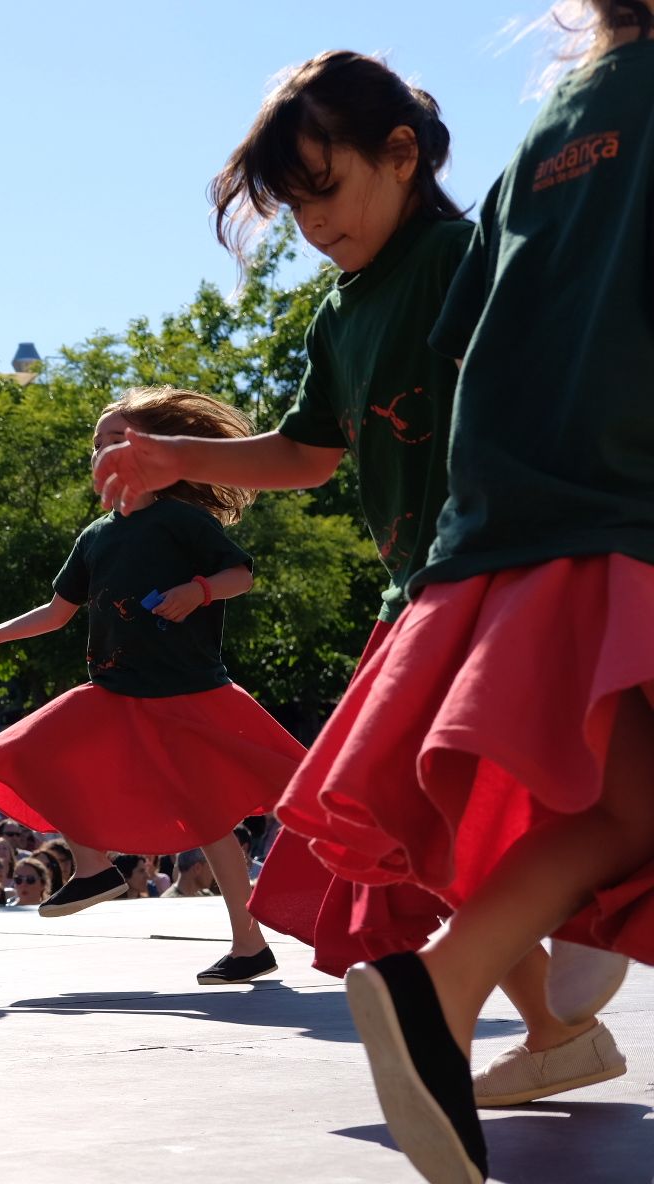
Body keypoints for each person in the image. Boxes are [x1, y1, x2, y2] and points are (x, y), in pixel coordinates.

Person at [96, 47, 628, 1112]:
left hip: (497, 568)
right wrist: (180, 456)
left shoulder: (451, 257)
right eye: (294, 205)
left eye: (326, 189)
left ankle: (549, 966)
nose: (313, 222)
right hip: (418, 595)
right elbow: (307, 450)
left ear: (401, 154)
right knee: (412, 831)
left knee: (453, 809)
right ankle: (553, 1021)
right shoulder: (339, 314)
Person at [244, 10, 654, 1178]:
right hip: (621, 506)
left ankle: (446, 994)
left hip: (518, 525)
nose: (316, 222)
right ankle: (487, 998)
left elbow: (475, 338)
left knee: (621, 807)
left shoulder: (546, 136)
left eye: (325, 189)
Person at [0, 387, 306, 986]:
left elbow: (240, 574)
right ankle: (94, 866)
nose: (104, 452)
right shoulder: (95, 537)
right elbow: (56, 611)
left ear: (151, 450)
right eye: (97, 445)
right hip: (117, 693)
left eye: (116, 440)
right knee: (26, 749)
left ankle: (249, 944)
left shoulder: (179, 520)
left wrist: (198, 590)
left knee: (211, 822)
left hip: (186, 694)